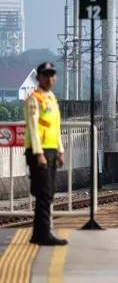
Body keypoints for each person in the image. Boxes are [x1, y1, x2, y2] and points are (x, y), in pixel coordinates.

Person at [24, 62, 67, 246]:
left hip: (50, 150)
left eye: (52, 75)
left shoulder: (51, 98)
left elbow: (55, 126)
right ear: (39, 77)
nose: (50, 78)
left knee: (47, 192)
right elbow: (33, 127)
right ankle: (43, 234)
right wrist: (39, 153)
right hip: (38, 151)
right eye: (46, 75)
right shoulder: (34, 99)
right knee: (44, 192)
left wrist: (60, 149)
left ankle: (38, 234)